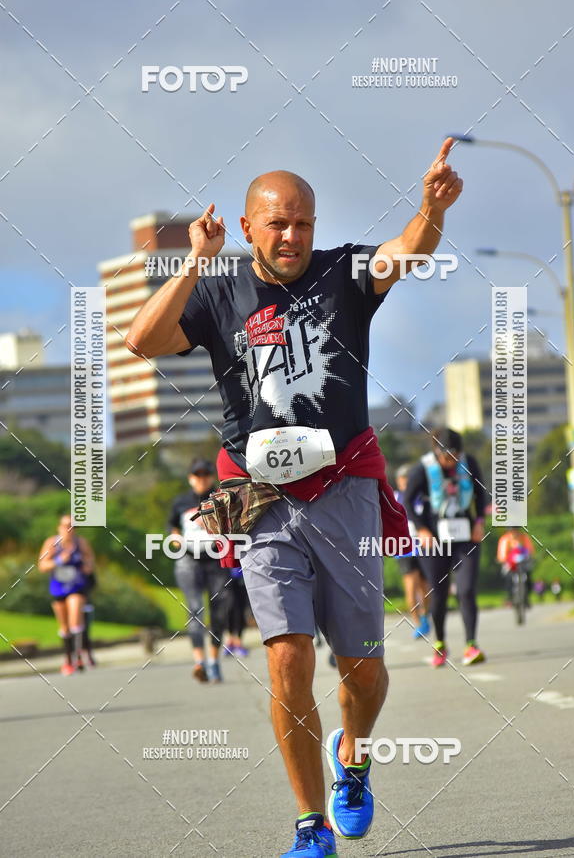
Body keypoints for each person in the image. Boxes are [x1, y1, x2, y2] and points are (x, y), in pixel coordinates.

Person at [127, 137, 463, 857]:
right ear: (247, 226)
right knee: (286, 657)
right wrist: (192, 263)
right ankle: (311, 823)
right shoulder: (217, 291)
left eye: (303, 223)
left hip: (344, 488)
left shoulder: (344, 273)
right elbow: (140, 340)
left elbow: (407, 250)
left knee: (364, 667)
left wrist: (430, 211)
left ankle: (354, 757)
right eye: (277, 223)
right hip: (262, 499)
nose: (292, 235)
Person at [404, 428, 487, 668]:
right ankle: (440, 643)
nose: (452, 461)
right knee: (438, 594)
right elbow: (408, 500)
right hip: (434, 538)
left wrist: (479, 521)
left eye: (456, 456)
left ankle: (471, 644)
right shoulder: (423, 469)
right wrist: (421, 528)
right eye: (448, 457)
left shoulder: (468, 462)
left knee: (466, 590)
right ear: (436, 452)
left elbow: (481, 495)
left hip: (466, 535)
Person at [169, 458, 233, 683]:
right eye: (197, 475)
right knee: (195, 609)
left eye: (205, 475)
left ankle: (214, 661)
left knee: (219, 609)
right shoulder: (180, 502)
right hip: (189, 560)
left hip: (216, 559)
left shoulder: (221, 497)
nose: (201, 479)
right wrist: (175, 537)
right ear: (190, 478)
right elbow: (173, 526)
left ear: (211, 477)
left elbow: (232, 523)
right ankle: (199, 662)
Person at [38, 515, 95, 675]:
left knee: (75, 616)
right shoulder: (51, 543)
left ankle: (78, 657)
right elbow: (42, 565)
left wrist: (87, 566)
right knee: (64, 626)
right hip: (58, 588)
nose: (69, 529)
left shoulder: (81, 543)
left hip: (77, 586)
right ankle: (68, 659)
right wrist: (58, 561)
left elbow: (90, 561)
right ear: (59, 527)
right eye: (65, 526)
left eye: (72, 526)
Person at [393, 464, 430, 638]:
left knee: (425, 586)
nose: (406, 482)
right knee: (411, 586)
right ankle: (418, 622)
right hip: (403, 546)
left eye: (408, 479)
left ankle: (426, 616)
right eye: (403, 479)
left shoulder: (421, 497)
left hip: (422, 545)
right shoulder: (394, 497)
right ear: (398, 482)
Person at [496, 527, 534, 605]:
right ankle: (510, 596)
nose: (514, 532)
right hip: (510, 563)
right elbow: (502, 554)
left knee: (528, 576)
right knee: (508, 577)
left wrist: (528, 556)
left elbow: (529, 549)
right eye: (512, 530)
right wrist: (504, 560)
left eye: (515, 529)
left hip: (523, 562)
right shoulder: (505, 539)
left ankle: (526, 596)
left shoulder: (524, 537)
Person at [223, 566, 250, 658]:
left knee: (240, 609)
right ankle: (231, 640)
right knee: (229, 608)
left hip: (241, 574)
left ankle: (238, 641)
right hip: (226, 574)